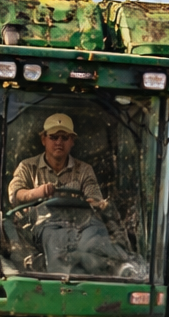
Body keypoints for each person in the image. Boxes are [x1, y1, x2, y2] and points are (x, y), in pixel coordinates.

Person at [7, 113, 140, 276]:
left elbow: (94, 198)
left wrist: (95, 202)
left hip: (82, 224)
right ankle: (62, 284)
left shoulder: (84, 169)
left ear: (72, 141)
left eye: (64, 137)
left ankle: (119, 270)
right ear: (43, 140)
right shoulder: (28, 167)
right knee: (56, 238)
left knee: (95, 238)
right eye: (53, 137)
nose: (58, 142)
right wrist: (38, 192)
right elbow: (15, 194)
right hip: (45, 225)